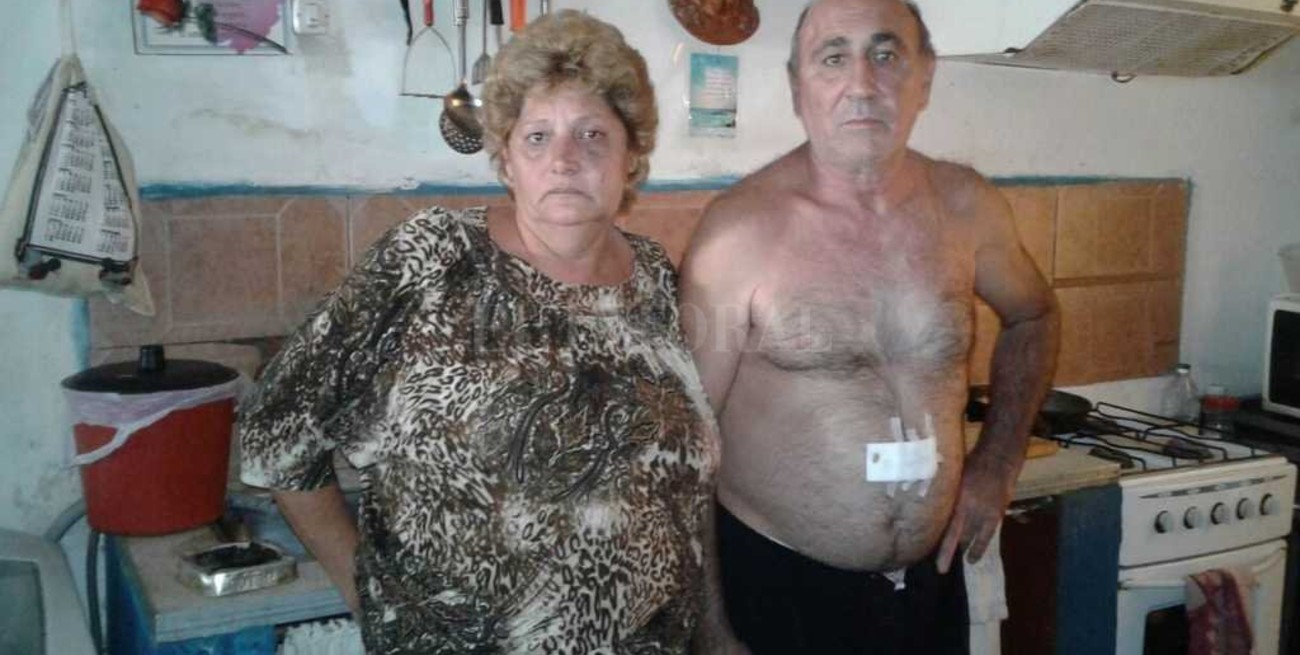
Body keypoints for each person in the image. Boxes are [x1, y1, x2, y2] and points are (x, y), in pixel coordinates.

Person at [238, 11, 723, 654]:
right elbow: (277, 429)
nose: (565, 160)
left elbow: (690, 480)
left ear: (631, 157)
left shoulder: (657, 278)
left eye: (592, 135)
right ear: (506, 159)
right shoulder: (430, 259)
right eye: (537, 137)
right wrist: (366, 593)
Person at [679, 0, 1061, 653]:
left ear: (925, 78)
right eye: (833, 58)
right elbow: (686, 450)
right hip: (781, 590)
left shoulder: (967, 206)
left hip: (929, 585)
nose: (862, 83)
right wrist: (711, 629)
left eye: (886, 55)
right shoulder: (737, 234)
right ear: (797, 86)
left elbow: (1035, 315)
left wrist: (998, 462)